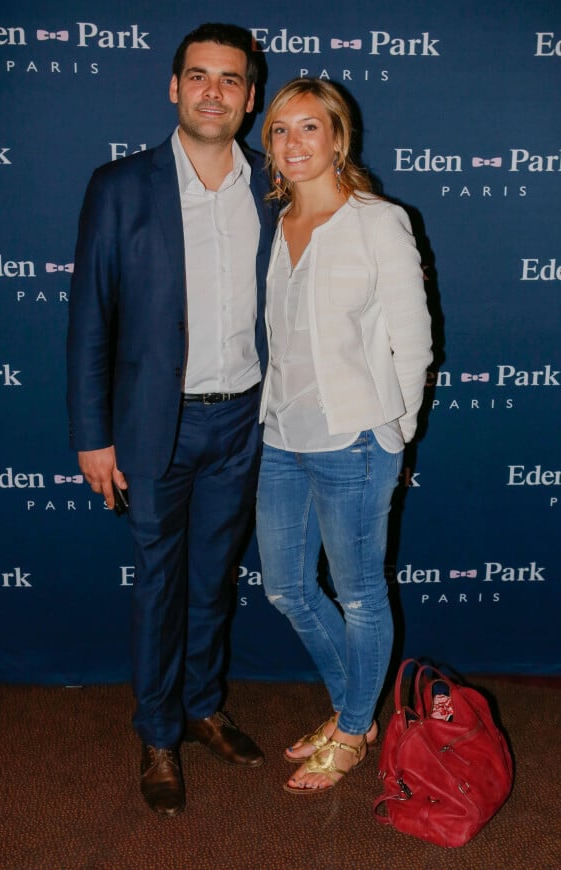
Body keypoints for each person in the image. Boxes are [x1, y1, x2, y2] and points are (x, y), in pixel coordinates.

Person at [67, 23, 275, 817]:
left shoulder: (273, 184)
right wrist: (93, 432)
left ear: (250, 98)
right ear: (174, 88)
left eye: (230, 80)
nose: (214, 92)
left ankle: (202, 705)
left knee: (213, 582)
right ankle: (157, 732)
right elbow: (90, 317)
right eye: (199, 77)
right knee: (158, 585)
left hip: (244, 424)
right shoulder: (120, 186)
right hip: (156, 425)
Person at [256, 79, 432, 794]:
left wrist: (396, 430)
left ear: (338, 138)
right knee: (287, 588)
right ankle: (352, 709)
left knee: (359, 596)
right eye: (278, 131)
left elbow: (415, 340)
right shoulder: (281, 218)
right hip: (281, 435)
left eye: (308, 128)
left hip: (355, 439)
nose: (293, 143)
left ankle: (355, 729)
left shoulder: (377, 221)